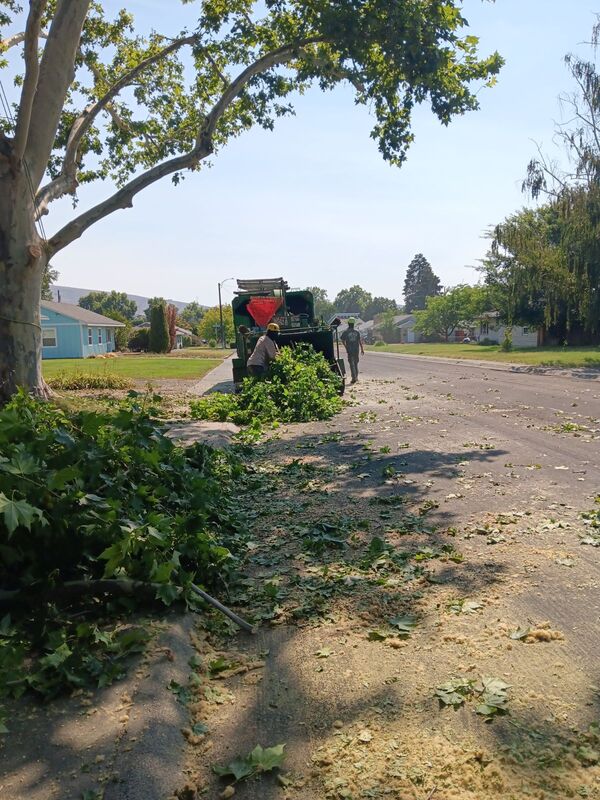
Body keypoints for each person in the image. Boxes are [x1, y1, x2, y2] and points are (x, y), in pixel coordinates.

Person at [340, 318, 364, 383]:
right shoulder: (357, 332)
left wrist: (346, 347)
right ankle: (356, 377)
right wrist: (362, 349)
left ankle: (354, 378)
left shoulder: (345, 332)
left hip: (350, 350)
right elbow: (359, 341)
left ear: (348, 324)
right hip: (356, 350)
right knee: (355, 363)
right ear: (353, 324)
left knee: (351, 364)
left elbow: (342, 340)